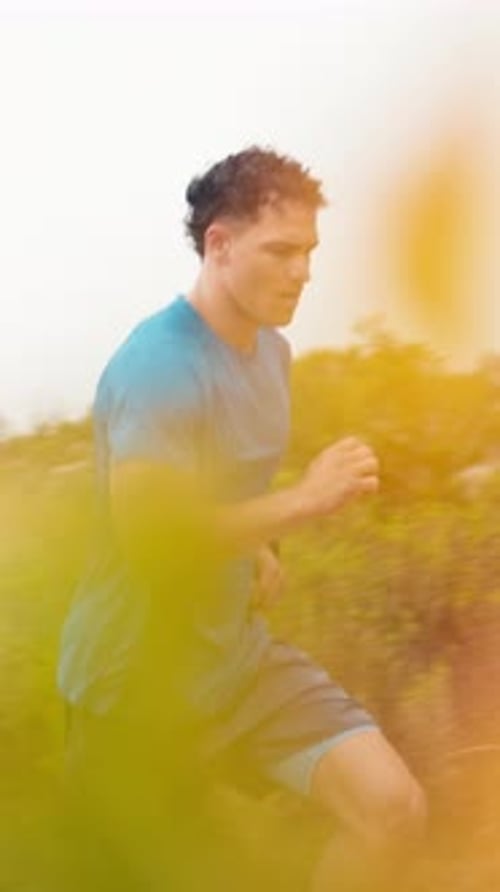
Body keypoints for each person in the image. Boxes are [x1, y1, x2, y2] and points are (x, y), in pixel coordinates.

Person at [58, 147, 426, 891]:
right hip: (135, 688)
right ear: (219, 245)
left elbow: (223, 485)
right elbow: (153, 541)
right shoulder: (157, 364)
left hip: (237, 665)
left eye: (311, 253)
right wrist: (309, 498)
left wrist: (258, 548)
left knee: (392, 808)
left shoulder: (271, 355)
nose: (303, 272)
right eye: (282, 251)